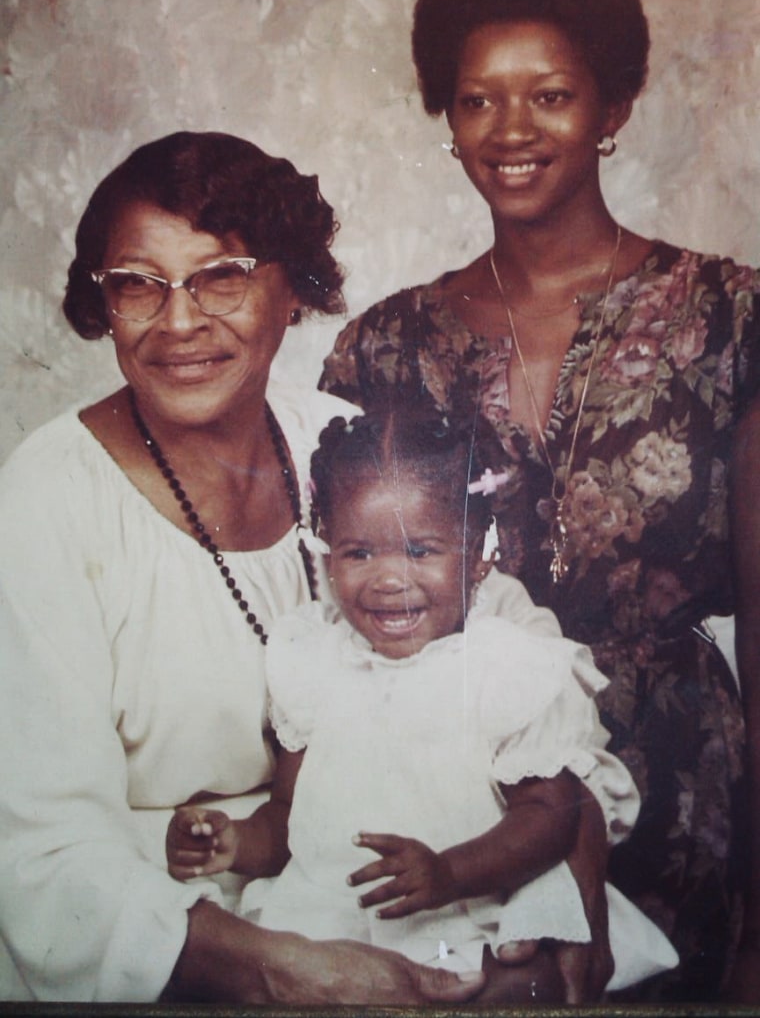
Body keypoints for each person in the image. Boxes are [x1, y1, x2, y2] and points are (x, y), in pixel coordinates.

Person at [319, 0, 760, 1003]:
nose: (510, 132)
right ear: (448, 118)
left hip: (683, 812)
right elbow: (341, 616)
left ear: (611, 111)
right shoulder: (382, 345)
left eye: (551, 95)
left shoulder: (728, 318)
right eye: (477, 101)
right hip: (458, 822)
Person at [0, 131, 492, 1005]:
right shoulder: (44, 501)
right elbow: (41, 853)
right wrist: (288, 969)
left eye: (220, 274)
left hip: (358, 904)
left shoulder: (343, 444)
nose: (179, 321)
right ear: (103, 302)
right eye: (137, 285)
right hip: (145, 946)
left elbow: (492, 673)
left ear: (293, 288)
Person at [166, 404, 676, 1002]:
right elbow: (288, 817)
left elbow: (551, 814)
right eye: (358, 553)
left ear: (481, 553)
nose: (388, 578)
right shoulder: (314, 659)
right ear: (326, 549)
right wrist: (235, 842)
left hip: (467, 908)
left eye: (420, 551)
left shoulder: (504, 665)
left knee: (511, 987)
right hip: (328, 916)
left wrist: (447, 873)